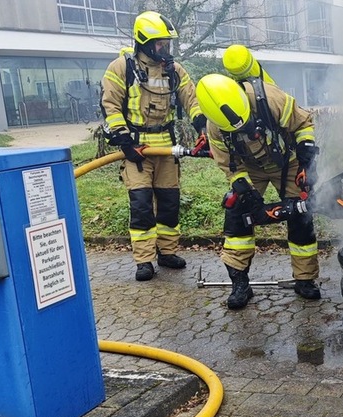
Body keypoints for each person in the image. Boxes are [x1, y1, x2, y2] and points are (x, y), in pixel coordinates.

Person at [195, 73, 321, 309]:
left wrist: (305, 156)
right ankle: (240, 283)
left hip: (288, 162)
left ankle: (305, 279)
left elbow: (303, 123)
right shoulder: (215, 128)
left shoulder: (269, 98)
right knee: (237, 216)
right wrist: (244, 188)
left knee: (301, 215)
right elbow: (229, 164)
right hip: (250, 167)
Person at [101, 11, 206, 282]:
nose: (165, 49)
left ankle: (167, 252)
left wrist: (202, 126)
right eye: (160, 44)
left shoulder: (173, 69)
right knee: (141, 205)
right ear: (145, 42)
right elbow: (110, 106)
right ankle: (144, 260)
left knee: (170, 204)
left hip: (167, 148)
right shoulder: (121, 68)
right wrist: (124, 142)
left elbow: (192, 100)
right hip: (137, 149)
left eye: (167, 44)